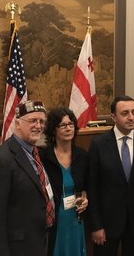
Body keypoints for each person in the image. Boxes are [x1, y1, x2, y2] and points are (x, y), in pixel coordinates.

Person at [0, 100, 55, 256]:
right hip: (17, 248)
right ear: (17, 124)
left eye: (42, 121)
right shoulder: (0, 160)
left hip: (38, 240)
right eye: (33, 120)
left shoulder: (36, 153)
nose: (38, 126)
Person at [88, 95, 134, 256]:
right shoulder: (98, 144)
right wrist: (96, 225)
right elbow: (92, 188)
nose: (131, 117)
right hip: (107, 224)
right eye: (125, 113)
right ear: (113, 117)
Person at [40, 107, 89, 256]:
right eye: (63, 125)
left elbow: (87, 186)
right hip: (54, 218)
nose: (68, 128)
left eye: (71, 124)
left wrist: (86, 198)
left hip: (75, 217)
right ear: (53, 131)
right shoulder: (44, 157)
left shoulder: (82, 155)